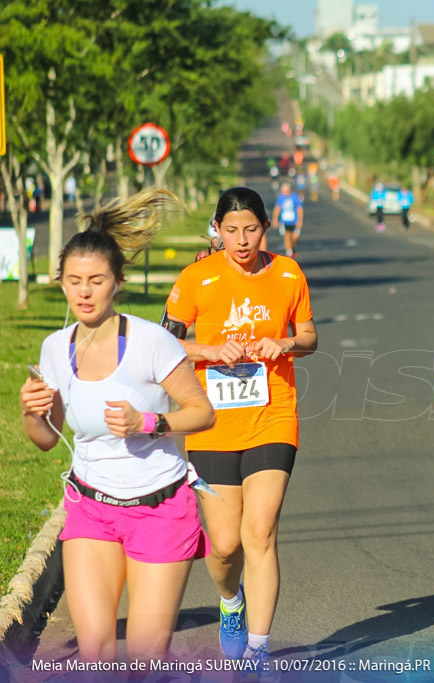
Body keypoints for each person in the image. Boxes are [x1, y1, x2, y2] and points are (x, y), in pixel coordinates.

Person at [18, 188, 216, 662]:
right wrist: (31, 412)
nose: (84, 292)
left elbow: (202, 412)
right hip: (91, 509)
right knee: (96, 654)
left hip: (160, 508)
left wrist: (149, 421)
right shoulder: (53, 349)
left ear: (117, 282)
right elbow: (48, 440)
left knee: (145, 660)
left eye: (96, 281)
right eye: (74, 281)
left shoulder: (151, 342)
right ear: (60, 282)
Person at [163, 186, 317, 670]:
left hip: (273, 417)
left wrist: (286, 342)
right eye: (231, 230)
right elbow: (162, 345)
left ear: (266, 228)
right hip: (211, 423)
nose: (242, 240)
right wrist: (209, 353)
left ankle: (258, 649)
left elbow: (310, 338)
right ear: (217, 230)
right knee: (226, 544)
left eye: (251, 229)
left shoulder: (289, 273)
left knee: (261, 530)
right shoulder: (196, 278)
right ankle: (231, 600)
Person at [271, 182, 303, 258]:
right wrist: (275, 219)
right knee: (287, 235)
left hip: (294, 221)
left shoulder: (295, 197)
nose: (284, 192)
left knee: (295, 237)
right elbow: (277, 209)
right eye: (283, 191)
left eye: (285, 190)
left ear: (289, 190)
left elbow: (299, 209)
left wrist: (300, 220)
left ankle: (293, 247)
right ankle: (289, 252)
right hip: (284, 221)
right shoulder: (280, 198)